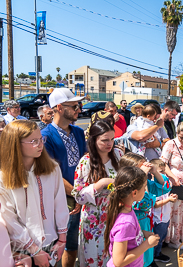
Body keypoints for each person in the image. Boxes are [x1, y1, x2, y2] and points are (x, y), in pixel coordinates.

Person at [0, 120, 69, 266]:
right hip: (22, 250)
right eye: (33, 141)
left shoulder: (52, 169)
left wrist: (62, 239)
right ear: (15, 144)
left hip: (52, 243)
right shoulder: (3, 177)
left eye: (40, 139)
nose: (40, 145)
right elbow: (8, 218)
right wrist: (34, 250)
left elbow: (60, 204)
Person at [41, 87, 85, 267]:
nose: (79, 109)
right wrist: (77, 194)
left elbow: (85, 164)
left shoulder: (79, 132)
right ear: (59, 108)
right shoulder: (45, 136)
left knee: (72, 243)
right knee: (54, 245)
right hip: (60, 199)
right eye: (74, 105)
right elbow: (52, 172)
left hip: (79, 198)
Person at [71, 121, 123, 266]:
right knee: (93, 257)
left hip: (115, 214)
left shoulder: (118, 155)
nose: (110, 143)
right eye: (105, 140)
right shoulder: (85, 162)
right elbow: (78, 195)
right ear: (94, 140)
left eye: (112, 139)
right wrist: (100, 184)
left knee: (113, 255)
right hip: (93, 219)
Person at [119, 154, 173, 267]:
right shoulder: (127, 189)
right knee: (137, 254)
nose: (146, 168)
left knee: (147, 254)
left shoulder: (146, 183)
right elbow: (144, 203)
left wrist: (155, 172)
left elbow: (166, 187)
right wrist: (142, 176)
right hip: (135, 223)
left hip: (146, 223)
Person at [104, 166, 160, 267]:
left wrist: (142, 233)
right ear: (134, 193)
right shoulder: (126, 222)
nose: (145, 190)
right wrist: (147, 244)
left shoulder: (127, 209)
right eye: (144, 188)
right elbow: (119, 262)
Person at [149, 159, 177, 264]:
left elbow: (166, 195)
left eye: (164, 172)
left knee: (161, 237)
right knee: (156, 238)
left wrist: (171, 197)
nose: (163, 175)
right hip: (157, 219)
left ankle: (157, 253)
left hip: (165, 216)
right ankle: (153, 257)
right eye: (160, 172)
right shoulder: (152, 186)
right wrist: (168, 200)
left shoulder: (165, 184)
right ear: (152, 173)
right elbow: (155, 204)